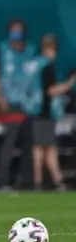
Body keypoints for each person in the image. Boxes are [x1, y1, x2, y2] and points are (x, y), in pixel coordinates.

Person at [21, 35, 74, 191]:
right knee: (45, 148)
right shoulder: (47, 66)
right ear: (52, 48)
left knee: (45, 147)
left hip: (36, 110)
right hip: (45, 110)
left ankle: (52, 180)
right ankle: (47, 181)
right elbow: (51, 90)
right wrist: (68, 85)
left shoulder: (35, 65)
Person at [0, 20, 36, 191]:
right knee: (9, 142)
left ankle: (27, 181)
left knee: (30, 143)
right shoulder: (1, 49)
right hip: (10, 103)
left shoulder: (30, 50)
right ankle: (3, 181)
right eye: (13, 31)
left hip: (30, 104)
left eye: (19, 31)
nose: (16, 34)